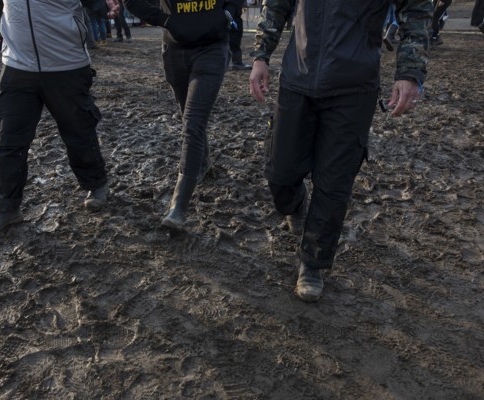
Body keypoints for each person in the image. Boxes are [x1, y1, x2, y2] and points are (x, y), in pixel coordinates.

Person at [249, 0, 431, 302]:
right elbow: (277, 4)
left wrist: (410, 72)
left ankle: (313, 262)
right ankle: (294, 205)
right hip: (298, 76)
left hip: (353, 85)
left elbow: (417, 9)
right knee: (280, 172)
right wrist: (261, 55)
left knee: (334, 182)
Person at [0, 0, 118, 236]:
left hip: (66, 64)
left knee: (78, 131)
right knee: (9, 141)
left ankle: (96, 183)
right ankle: (8, 209)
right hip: (17, 65)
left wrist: (104, 6)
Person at [124, 0, 245, 231]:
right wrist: (165, 20)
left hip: (212, 49)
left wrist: (226, 16)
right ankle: (203, 162)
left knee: (192, 123)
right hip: (174, 52)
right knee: (188, 117)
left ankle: (178, 206)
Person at [229, 5, 250, 70]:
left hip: (233, 15)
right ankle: (237, 62)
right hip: (231, 15)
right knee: (234, 38)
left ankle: (236, 62)